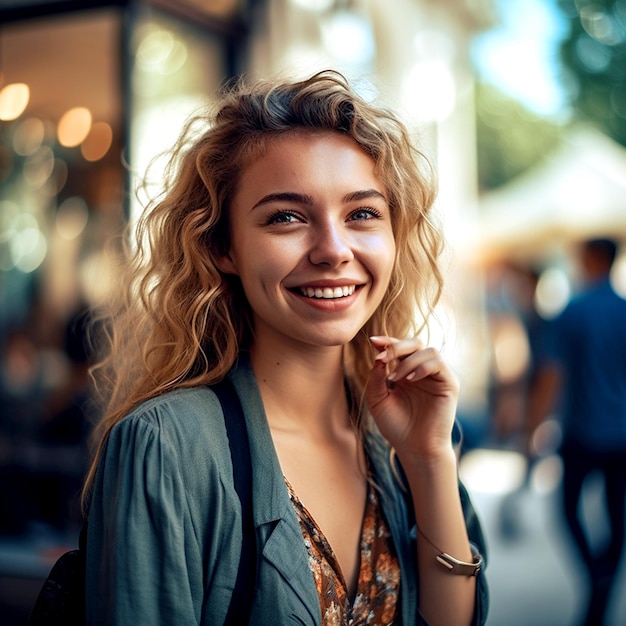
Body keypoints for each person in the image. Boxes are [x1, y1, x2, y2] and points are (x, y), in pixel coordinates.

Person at [82, 70, 488, 626]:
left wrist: (428, 458)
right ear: (222, 246)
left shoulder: (398, 439)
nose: (333, 249)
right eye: (286, 217)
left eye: (362, 213)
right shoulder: (164, 445)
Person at [528, 238, 626, 626]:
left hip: (582, 431)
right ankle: (601, 584)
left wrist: (533, 426)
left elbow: (552, 374)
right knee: (617, 515)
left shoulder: (574, 311)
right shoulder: (623, 311)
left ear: (593, 258)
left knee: (568, 509)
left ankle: (593, 576)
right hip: (621, 434)